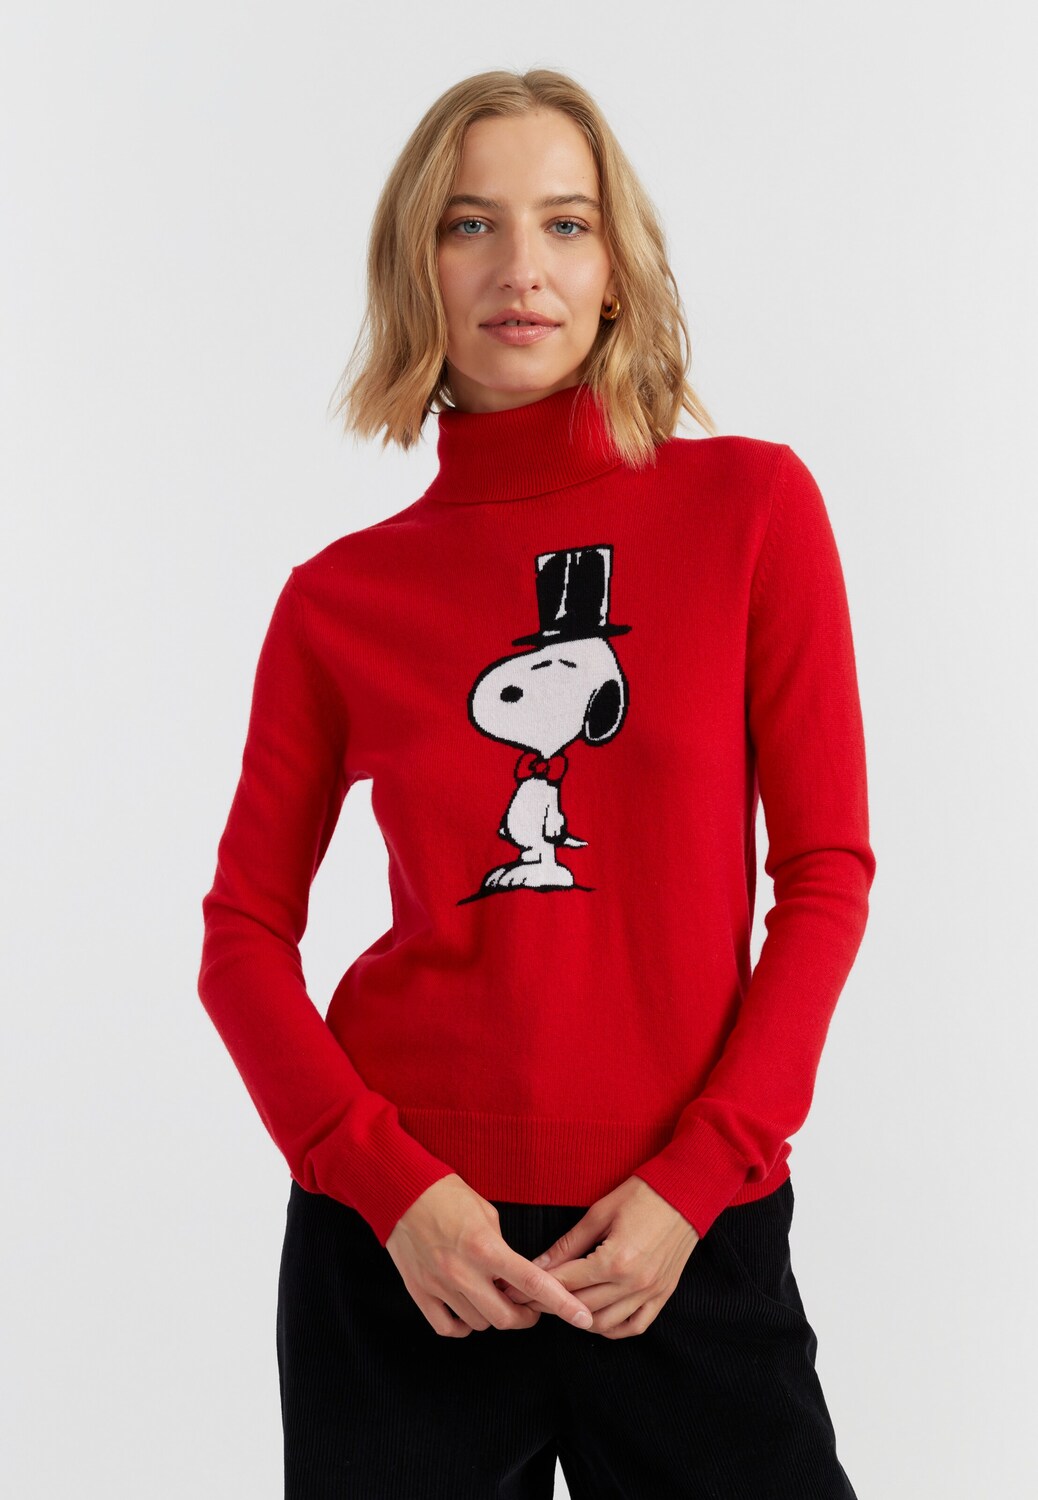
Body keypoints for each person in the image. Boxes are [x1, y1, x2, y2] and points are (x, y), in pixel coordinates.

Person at [198, 67, 876, 1499]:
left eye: (566, 223)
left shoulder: (752, 509)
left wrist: (700, 1178)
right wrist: (389, 1190)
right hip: (408, 1256)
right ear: (417, 270)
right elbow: (241, 937)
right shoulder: (337, 600)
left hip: (685, 1234)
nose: (522, 268)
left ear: (616, 267)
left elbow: (825, 875)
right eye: (471, 225)